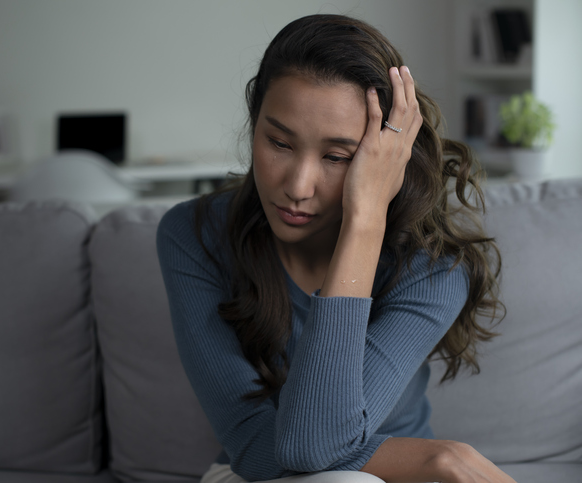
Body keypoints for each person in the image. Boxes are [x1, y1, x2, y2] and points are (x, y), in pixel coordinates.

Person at [157, 14, 511, 483]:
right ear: (254, 123)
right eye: (279, 142)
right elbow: (271, 447)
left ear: (384, 157)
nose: (298, 186)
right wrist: (434, 460)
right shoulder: (193, 234)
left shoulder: (434, 264)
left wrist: (364, 218)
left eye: (337, 157)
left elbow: (314, 442)